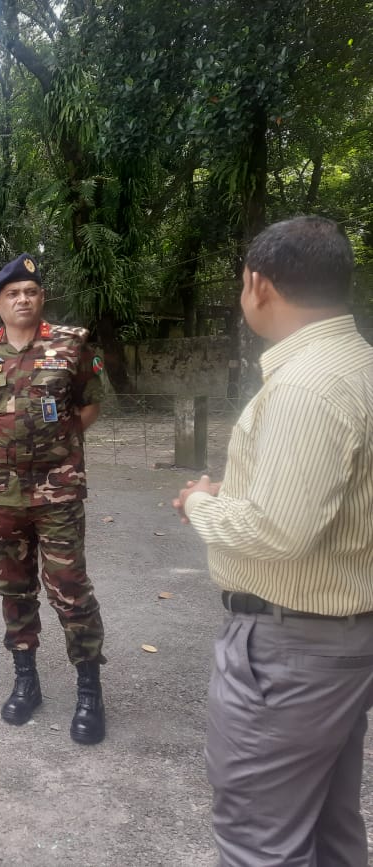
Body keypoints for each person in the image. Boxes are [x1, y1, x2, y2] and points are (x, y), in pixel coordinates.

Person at [173, 216, 373, 866]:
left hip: (289, 651)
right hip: (337, 638)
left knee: (260, 839)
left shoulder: (306, 387)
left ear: (258, 284)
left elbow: (276, 529)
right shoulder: (357, 364)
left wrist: (201, 503)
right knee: (327, 827)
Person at [0, 253, 107, 744]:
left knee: (69, 586)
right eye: (12, 294)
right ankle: (27, 680)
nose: (22, 299)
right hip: (2, 493)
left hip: (58, 490)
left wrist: (59, 445)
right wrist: (7, 446)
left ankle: (89, 689)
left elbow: (89, 404)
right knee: (13, 587)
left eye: (31, 291)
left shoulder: (72, 344)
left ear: (41, 299)